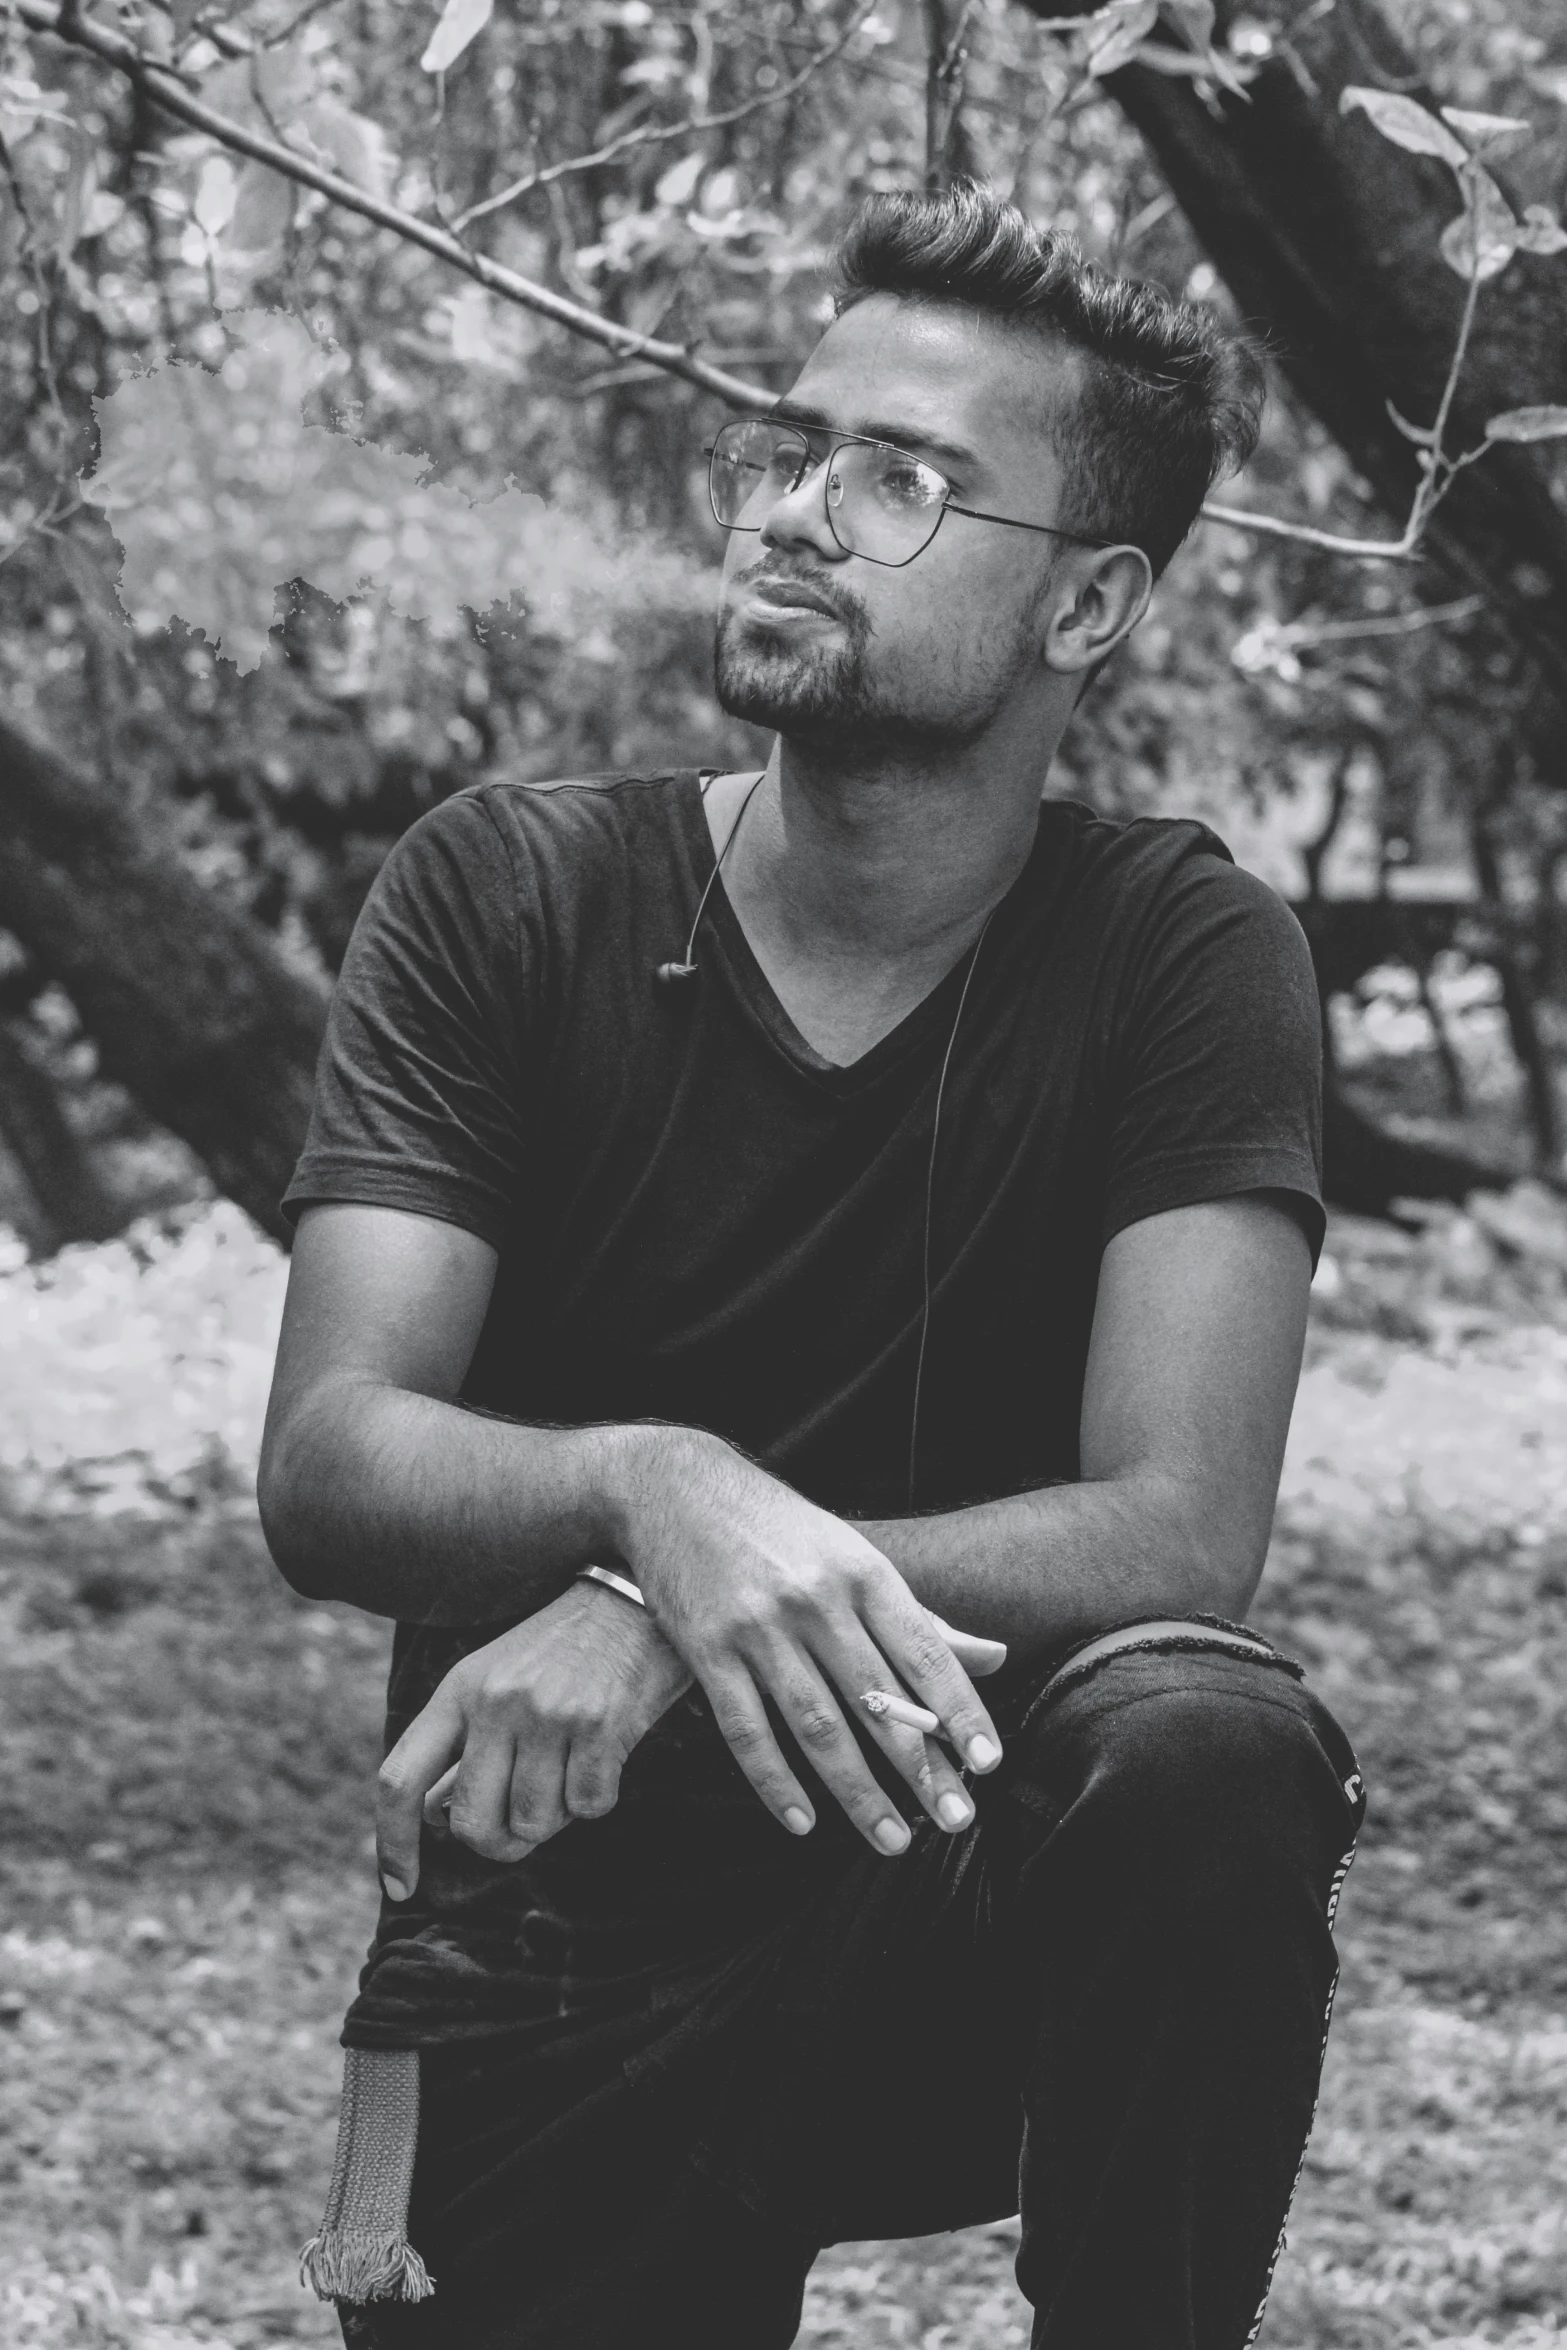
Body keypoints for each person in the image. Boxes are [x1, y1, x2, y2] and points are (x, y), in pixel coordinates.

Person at [260, 181, 1365, 2350]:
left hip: (972, 1902)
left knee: (1209, 1748)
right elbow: (329, 1456)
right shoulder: (509, 889)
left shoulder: (1181, 950)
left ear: (1090, 605)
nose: (792, 514)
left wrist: (686, 1594)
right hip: (560, 1890)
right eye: (788, 449)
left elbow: (1179, 1522)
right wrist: (643, 1491)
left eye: (901, 482)